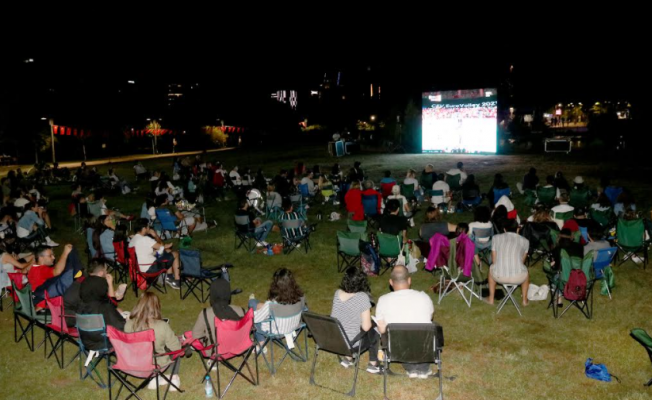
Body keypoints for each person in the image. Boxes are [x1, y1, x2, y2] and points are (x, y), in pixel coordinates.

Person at [375, 265, 434, 379]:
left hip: (398, 348)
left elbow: (382, 330)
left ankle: (410, 367)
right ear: (409, 280)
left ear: (391, 282)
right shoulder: (424, 297)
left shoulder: (383, 300)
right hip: (423, 347)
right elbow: (430, 317)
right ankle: (422, 368)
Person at [125, 293, 182, 391]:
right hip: (155, 364)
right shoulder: (161, 325)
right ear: (156, 307)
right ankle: (173, 378)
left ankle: (156, 379)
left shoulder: (129, 324)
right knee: (176, 350)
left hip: (135, 361)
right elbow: (176, 348)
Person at [331, 267, 380, 374]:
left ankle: (347, 359)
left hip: (337, 341)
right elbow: (366, 327)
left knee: (351, 324)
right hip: (352, 344)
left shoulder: (337, 293)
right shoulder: (362, 297)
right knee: (374, 328)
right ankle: (373, 364)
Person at [250, 268, 306, 348]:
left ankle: (261, 342)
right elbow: (304, 310)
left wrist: (253, 311)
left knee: (252, 304)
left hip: (277, 331)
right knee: (256, 304)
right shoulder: (301, 297)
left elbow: (255, 319)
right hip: (294, 326)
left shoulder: (272, 304)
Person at [485, 219, 530, 307]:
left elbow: (494, 260)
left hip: (498, 276)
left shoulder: (496, 238)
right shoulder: (525, 241)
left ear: (504, 229)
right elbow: (522, 261)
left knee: (491, 268)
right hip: (518, 278)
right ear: (518, 229)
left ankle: (491, 299)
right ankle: (524, 300)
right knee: (526, 273)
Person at [129, 219, 181, 289]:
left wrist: (163, 248)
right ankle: (176, 281)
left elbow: (149, 252)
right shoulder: (145, 239)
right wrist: (155, 235)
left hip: (140, 267)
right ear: (144, 228)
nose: (149, 228)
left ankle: (169, 277)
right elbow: (161, 245)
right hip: (151, 267)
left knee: (167, 251)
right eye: (148, 226)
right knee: (175, 253)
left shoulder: (132, 240)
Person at [79, 273, 126, 350]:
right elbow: (121, 327)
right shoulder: (105, 308)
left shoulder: (80, 305)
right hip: (103, 343)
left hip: (86, 341)